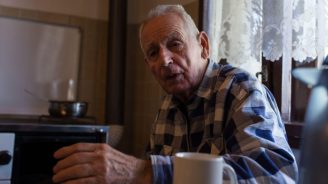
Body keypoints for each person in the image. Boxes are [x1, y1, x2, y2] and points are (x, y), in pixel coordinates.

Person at [52, 4, 298, 184]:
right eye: (153, 53)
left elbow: (278, 176)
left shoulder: (241, 90)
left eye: (174, 44)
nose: (164, 60)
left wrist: (145, 173)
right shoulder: (168, 106)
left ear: (203, 45)